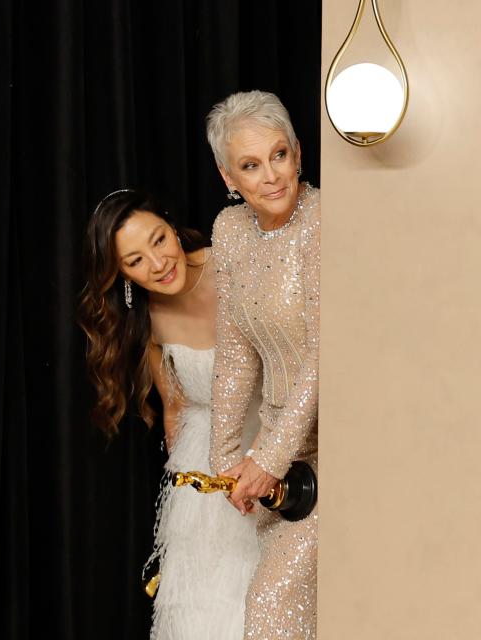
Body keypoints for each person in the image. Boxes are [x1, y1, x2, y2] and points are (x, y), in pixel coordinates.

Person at [78, 189, 259, 640]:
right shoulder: (145, 319)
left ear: (170, 224)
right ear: (120, 274)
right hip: (205, 468)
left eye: (158, 240)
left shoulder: (236, 262)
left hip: (273, 438)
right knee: (208, 606)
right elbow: (176, 407)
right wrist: (187, 500)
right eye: (135, 261)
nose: (157, 264)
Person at [205, 90, 320, 638]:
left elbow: (329, 350)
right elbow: (234, 349)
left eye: (279, 155)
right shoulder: (229, 231)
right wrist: (227, 457)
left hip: (338, 448)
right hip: (280, 457)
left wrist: (269, 457)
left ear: (298, 152)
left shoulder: (326, 220)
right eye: (250, 165)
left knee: (273, 610)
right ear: (228, 176)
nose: (271, 176)